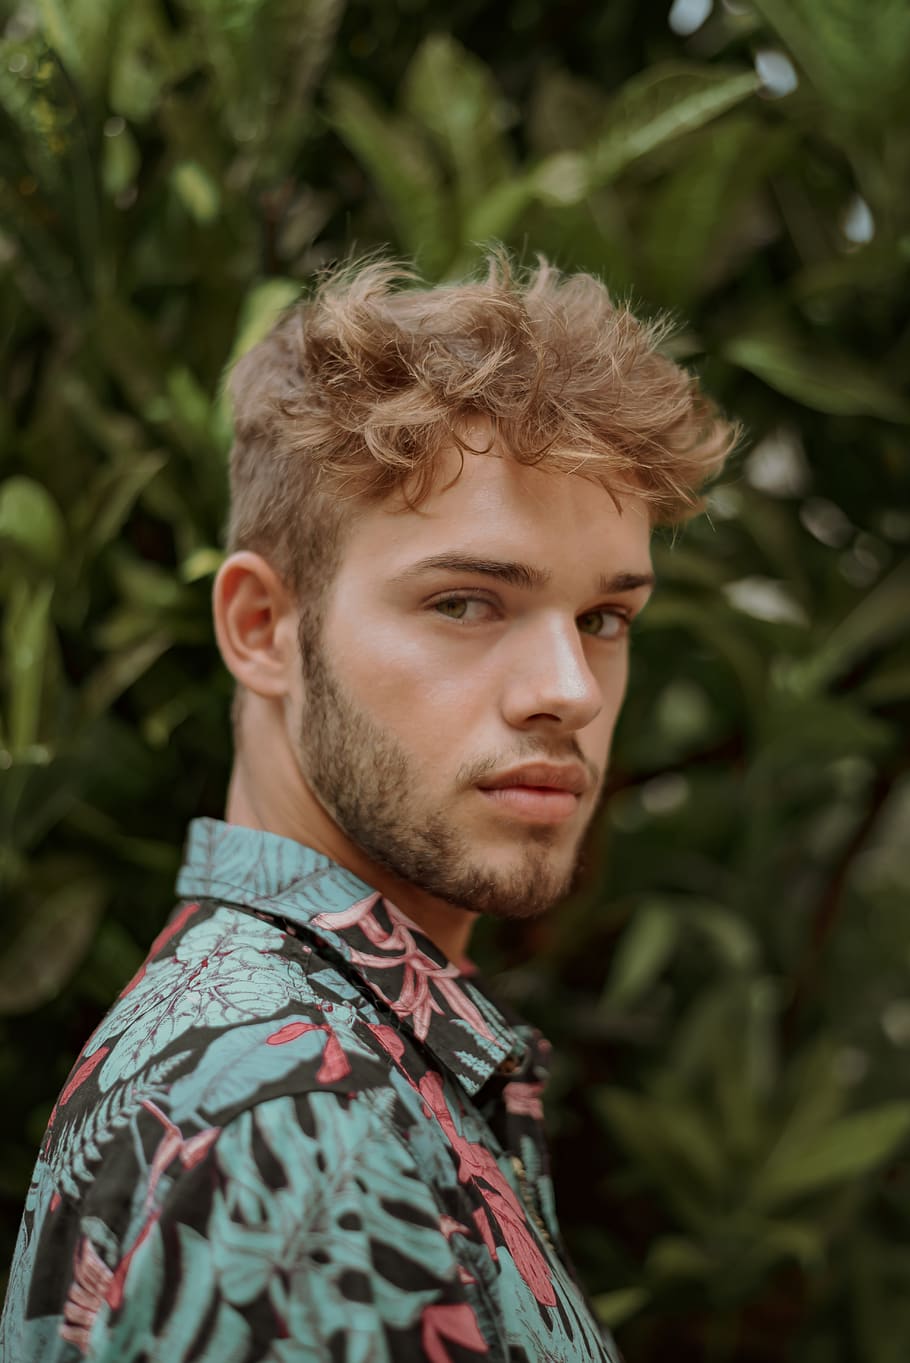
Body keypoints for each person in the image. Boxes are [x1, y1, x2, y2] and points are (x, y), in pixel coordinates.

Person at [2, 256, 735, 1362]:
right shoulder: (298, 1123)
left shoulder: (280, 1043)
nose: (571, 691)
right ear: (260, 627)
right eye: (465, 601)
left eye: (603, 618)